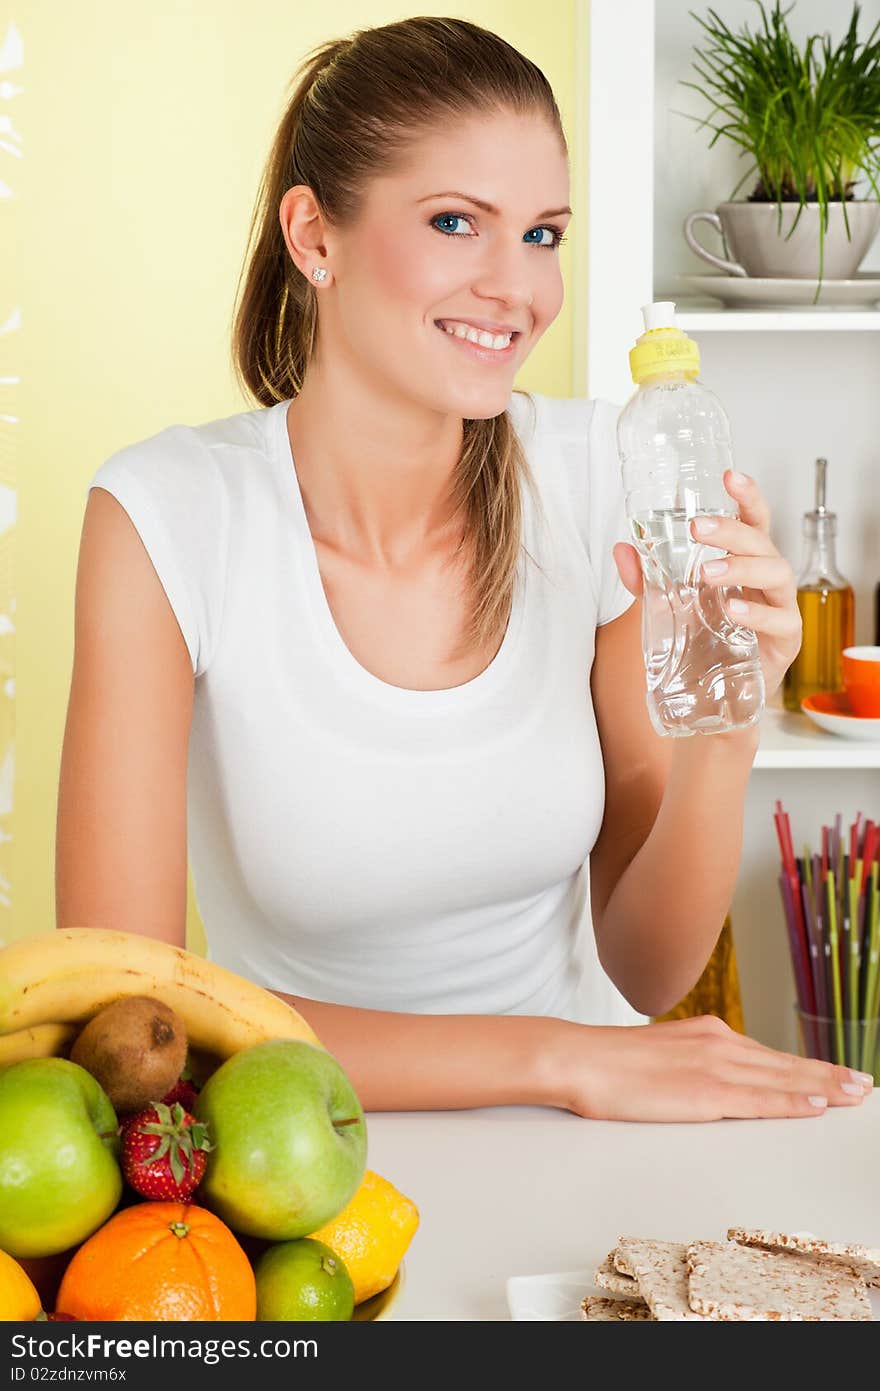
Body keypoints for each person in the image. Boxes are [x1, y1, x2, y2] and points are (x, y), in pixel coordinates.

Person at [55, 16, 871, 1123]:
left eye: (542, 235)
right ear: (315, 236)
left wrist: (722, 735)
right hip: (287, 1148)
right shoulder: (168, 516)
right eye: (455, 222)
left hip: (582, 1138)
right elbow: (134, 1014)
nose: (516, 287)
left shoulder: (595, 472)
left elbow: (643, 970)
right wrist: (559, 1057)